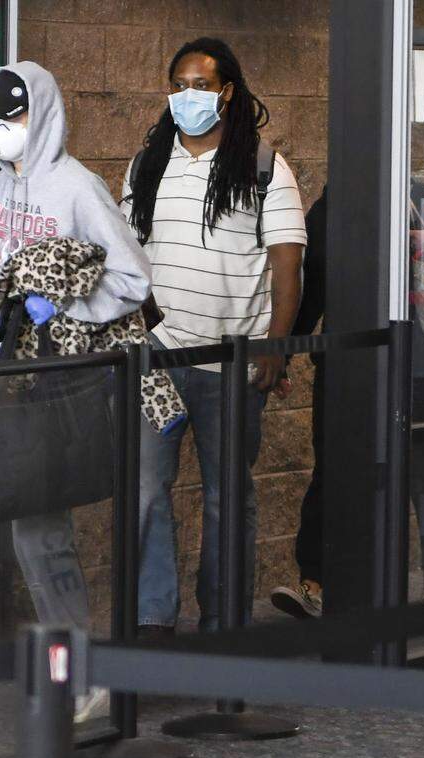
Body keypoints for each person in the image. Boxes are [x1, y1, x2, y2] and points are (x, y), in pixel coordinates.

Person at [0, 61, 152, 722]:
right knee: (30, 528)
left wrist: (65, 304)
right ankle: (72, 667)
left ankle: (80, 674)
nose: (0, 130)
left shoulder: (78, 188)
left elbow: (132, 278)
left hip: (61, 374)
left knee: (41, 530)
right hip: (9, 370)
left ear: (40, 115)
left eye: (11, 117)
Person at [121, 38, 306, 635]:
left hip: (232, 364)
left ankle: (223, 621)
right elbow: (127, 252)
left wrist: (277, 345)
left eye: (200, 85)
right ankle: (151, 617)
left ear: (226, 92)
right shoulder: (147, 164)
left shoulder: (263, 167)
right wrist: (145, 321)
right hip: (157, 361)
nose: (187, 95)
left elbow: (286, 263)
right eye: (178, 85)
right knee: (145, 490)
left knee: (228, 497)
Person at [271, 185, 424, 618]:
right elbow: (311, 289)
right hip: (347, 366)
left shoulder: (421, 197)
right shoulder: (334, 203)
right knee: (332, 467)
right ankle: (316, 583)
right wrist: (283, 356)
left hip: (420, 365)